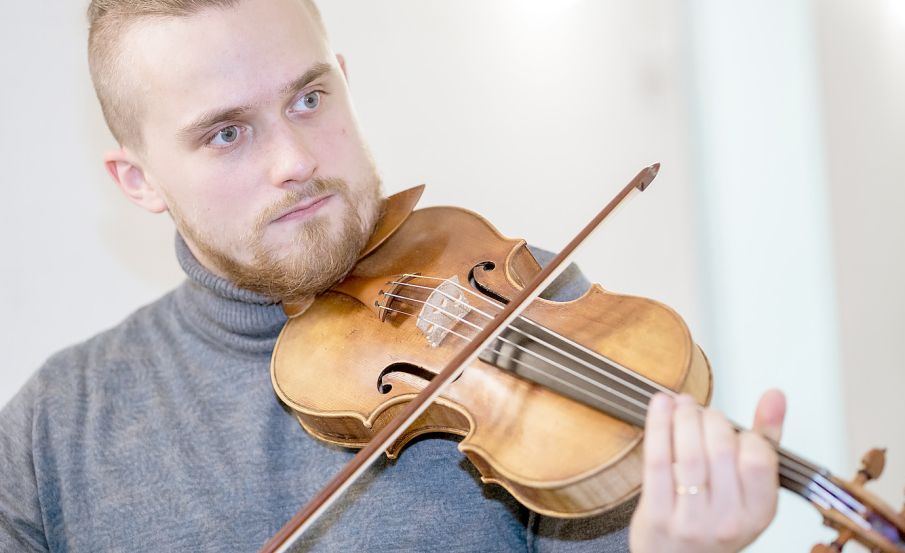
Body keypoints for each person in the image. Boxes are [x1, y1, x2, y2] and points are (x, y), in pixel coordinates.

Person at [0, 0, 787, 551]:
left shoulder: (527, 299)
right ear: (137, 180)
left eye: (309, 98)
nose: (295, 161)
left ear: (343, 77)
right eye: (227, 133)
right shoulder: (51, 431)